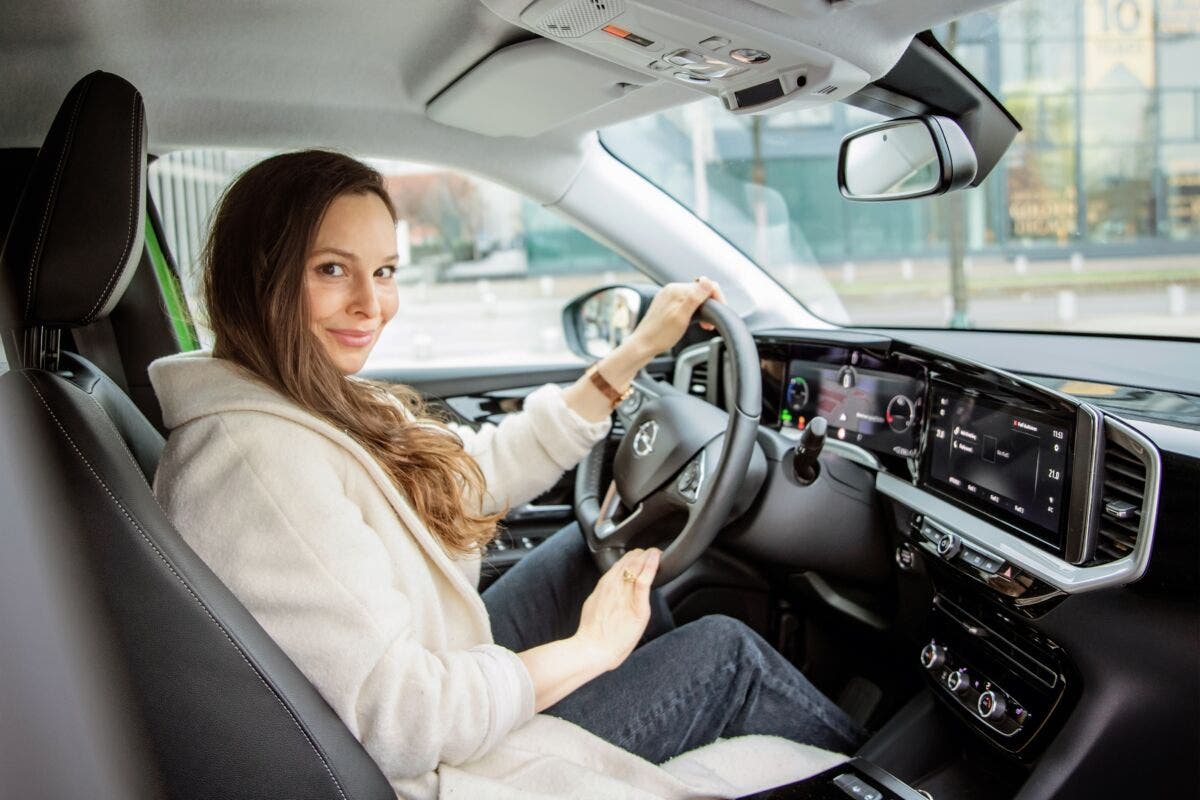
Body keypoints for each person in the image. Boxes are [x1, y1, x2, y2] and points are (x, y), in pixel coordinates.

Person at [149, 150, 862, 799]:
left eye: (386, 271)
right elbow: (402, 719)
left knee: (592, 553)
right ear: (261, 278)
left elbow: (465, 476)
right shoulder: (259, 464)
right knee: (726, 653)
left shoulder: (306, 397)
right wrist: (591, 650)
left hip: (441, 677)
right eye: (332, 270)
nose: (372, 305)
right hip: (442, 772)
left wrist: (634, 353)